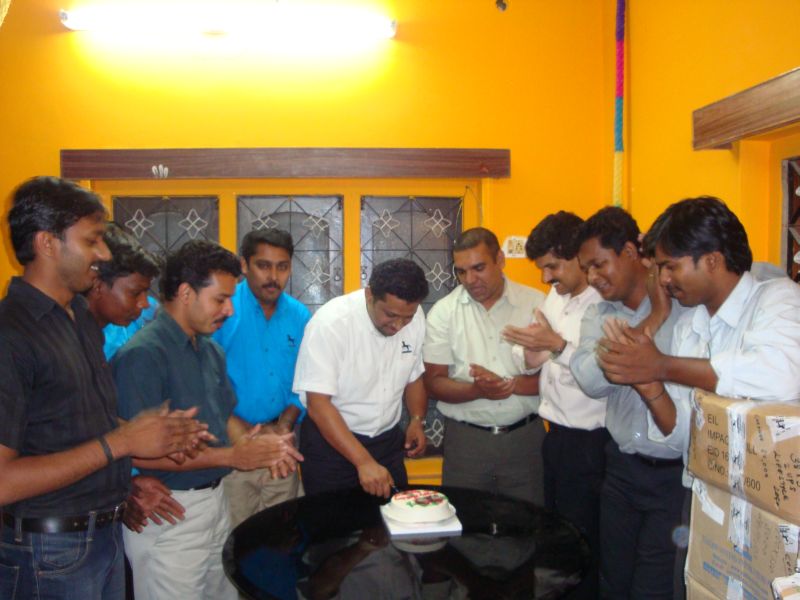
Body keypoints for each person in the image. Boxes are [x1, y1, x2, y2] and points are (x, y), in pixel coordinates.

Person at [0, 176, 205, 600]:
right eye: (92, 240)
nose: (104, 254)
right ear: (47, 243)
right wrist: (122, 442)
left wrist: (146, 440)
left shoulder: (76, 317)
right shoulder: (11, 334)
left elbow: (68, 428)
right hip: (48, 553)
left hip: (101, 537)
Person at [595, 197, 800, 599]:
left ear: (711, 260)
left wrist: (663, 366)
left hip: (775, 508)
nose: (663, 280)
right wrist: (649, 385)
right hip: (707, 499)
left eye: (670, 266)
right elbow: (682, 436)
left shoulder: (778, 299)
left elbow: (781, 375)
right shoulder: (690, 324)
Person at [113, 240, 303, 600]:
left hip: (216, 503)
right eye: (220, 299)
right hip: (169, 510)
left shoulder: (210, 350)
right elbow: (134, 451)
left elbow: (225, 416)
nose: (229, 310)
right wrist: (233, 456)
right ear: (186, 293)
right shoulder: (142, 356)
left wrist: (258, 445)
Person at [570, 206, 687, 599]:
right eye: (586, 268)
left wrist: (656, 316)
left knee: (654, 589)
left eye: (599, 264)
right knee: (613, 582)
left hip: (675, 477)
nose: (592, 277)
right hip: (621, 470)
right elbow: (590, 381)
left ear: (631, 252)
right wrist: (653, 320)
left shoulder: (684, 304)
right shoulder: (599, 313)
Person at [502, 211, 607, 598]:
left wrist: (555, 346)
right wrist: (530, 352)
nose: (546, 278)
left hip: (591, 443)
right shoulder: (558, 296)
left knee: (585, 542)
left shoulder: (603, 302)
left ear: (580, 256)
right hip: (557, 436)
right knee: (558, 538)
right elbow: (532, 351)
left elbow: (600, 373)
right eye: (542, 269)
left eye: (553, 267)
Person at [423, 227, 546, 504]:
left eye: (479, 268)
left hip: (526, 439)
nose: (470, 279)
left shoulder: (537, 304)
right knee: (467, 521)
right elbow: (433, 382)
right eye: (461, 271)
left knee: (528, 521)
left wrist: (508, 386)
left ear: (500, 260)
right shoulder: (444, 312)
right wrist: (478, 390)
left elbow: (556, 376)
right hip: (466, 443)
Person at [293, 258, 429, 498]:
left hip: (387, 443)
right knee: (334, 521)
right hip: (332, 445)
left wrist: (417, 419)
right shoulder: (331, 324)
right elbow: (318, 405)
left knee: (394, 515)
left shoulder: (415, 318)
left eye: (407, 317)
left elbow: (414, 374)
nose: (399, 325)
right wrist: (363, 461)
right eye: (390, 315)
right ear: (369, 295)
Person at [84, 223, 185, 535]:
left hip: (116, 484)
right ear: (96, 282)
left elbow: (100, 419)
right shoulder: (57, 340)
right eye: (135, 293)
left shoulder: (133, 320)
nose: (144, 304)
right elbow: (70, 432)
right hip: (66, 514)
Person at [213, 228, 311, 527]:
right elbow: (207, 384)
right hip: (232, 446)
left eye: (282, 267)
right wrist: (251, 434)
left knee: (282, 535)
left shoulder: (299, 316)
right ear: (244, 265)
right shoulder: (223, 310)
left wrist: (283, 427)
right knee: (236, 539)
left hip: (283, 445)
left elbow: (307, 380)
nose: (273, 277)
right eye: (263, 266)